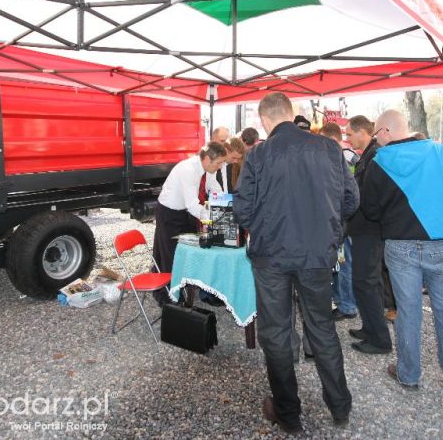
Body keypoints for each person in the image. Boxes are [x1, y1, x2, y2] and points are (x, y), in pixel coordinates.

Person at [234, 92, 358, 434]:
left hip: (272, 256)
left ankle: (288, 415)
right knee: (321, 327)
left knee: (275, 332)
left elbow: (242, 211)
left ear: (264, 120)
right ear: (291, 113)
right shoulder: (330, 148)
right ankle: (340, 407)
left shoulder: (257, 154)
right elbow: (350, 199)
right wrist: (329, 227)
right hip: (316, 254)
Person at [361, 110, 443, 392]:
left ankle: (408, 374)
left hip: (399, 244)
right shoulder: (437, 152)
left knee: (408, 311)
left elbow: (371, 210)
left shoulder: (378, 163)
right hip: (440, 242)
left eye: (376, 135)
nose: (376, 141)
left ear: (385, 131)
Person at [152, 142, 227, 305]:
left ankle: (190, 286)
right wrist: (216, 217)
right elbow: (192, 205)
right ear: (207, 158)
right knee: (170, 255)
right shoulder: (188, 170)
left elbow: (215, 188)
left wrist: (225, 204)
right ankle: (167, 298)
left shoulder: (208, 169)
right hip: (169, 213)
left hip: (184, 213)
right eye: (219, 162)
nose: (220, 167)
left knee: (193, 247)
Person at [344, 115, 393, 355]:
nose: (347, 138)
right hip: (364, 229)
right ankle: (370, 327)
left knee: (366, 282)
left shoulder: (375, 156)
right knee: (364, 282)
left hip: (370, 230)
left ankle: (380, 339)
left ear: (364, 132)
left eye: (349, 133)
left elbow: (368, 196)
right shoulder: (369, 154)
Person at [319, 122, 359, 321]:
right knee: (339, 265)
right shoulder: (345, 156)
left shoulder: (345, 158)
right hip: (338, 223)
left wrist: (340, 217)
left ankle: (348, 305)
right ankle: (341, 300)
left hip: (341, 225)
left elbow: (351, 194)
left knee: (344, 266)